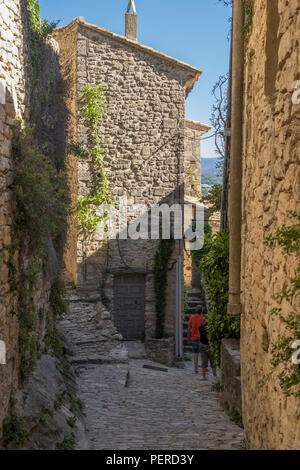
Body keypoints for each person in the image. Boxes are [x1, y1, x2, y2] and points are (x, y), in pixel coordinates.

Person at [187, 305, 205, 374]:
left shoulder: (192, 318)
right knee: (203, 354)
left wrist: (189, 337)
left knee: (195, 354)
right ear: (202, 311)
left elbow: (188, 328)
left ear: (195, 310)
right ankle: (204, 368)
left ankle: (196, 369)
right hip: (201, 339)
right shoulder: (203, 319)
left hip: (194, 338)